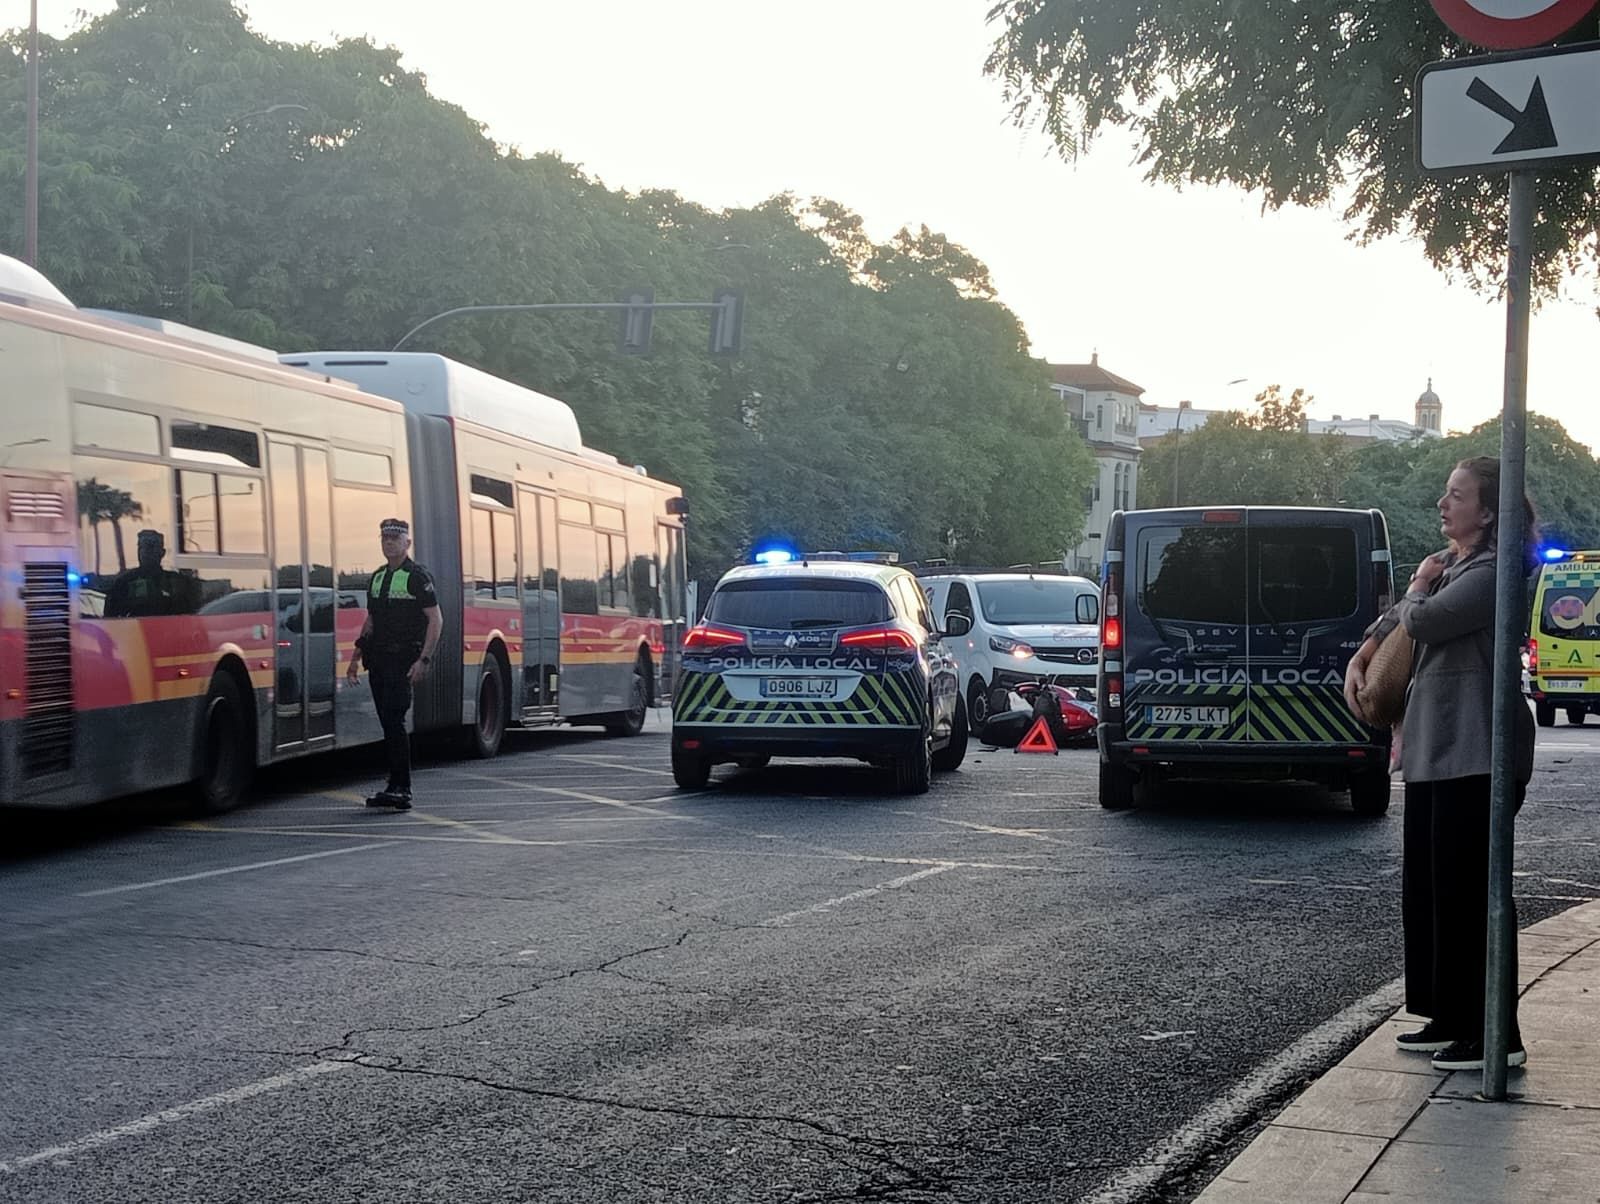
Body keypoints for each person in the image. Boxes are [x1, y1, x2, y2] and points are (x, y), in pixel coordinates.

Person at [1344, 456, 1536, 1072]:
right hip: (1437, 750)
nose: (1442, 504)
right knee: (1432, 892)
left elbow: (1424, 618)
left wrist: (1416, 590)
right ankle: (1448, 1015)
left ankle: (1495, 1036)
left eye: (1456, 496)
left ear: (1487, 511)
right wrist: (1369, 646)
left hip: (1477, 750)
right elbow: (1400, 621)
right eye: (1446, 494)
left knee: (1470, 896)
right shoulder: (1454, 565)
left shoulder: (1495, 571)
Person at [346, 518, 442, 810]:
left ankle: (403, 788)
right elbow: (371, 621)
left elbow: (435, 620)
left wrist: (424, 659)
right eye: (385, 538)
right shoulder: (376, 577)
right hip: (378, 661)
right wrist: (355, 658)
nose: (389, 543)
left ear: (407, 543)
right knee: (388, 723)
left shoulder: (416, 576)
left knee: (395, 719)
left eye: (395, 538)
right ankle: (394, 785)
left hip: (403, 660)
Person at [104, 529, 195, 617]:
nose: (144, 551)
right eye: (141, 547)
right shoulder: (124, 582)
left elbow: (190, 615)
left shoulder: (177, 582)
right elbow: (110, 618)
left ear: (162, 552)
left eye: (150, 547)